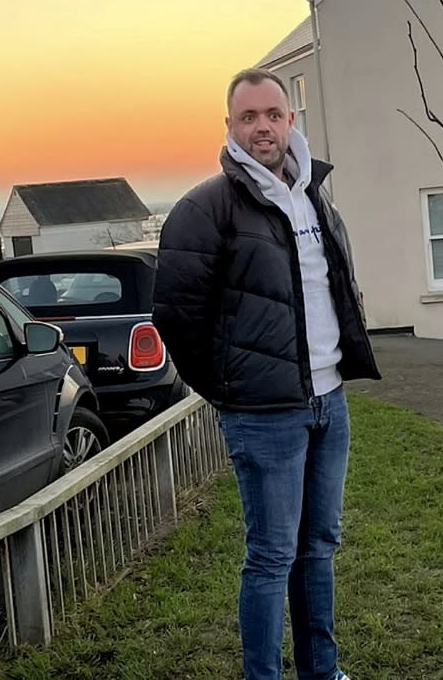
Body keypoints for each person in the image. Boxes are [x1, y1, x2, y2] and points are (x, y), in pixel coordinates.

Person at [151, 67, 380, 680]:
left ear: (290, 121)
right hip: (264, 414)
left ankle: (322, 671)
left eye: (272, 115)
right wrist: (228, 390)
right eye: (248, 117)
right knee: (272, 556)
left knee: (318, 549)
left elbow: (332, 288)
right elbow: (175, 315)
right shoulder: (206, 208)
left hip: (329, 403)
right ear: (229, 126)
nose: (262, 128)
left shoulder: (311, 196)